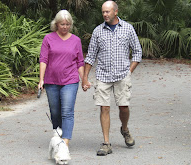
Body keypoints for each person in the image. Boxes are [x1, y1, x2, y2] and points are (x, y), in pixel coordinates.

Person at [82, 0, 142, 156]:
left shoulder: (128, 29)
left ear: (116, 12)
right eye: (103, 12)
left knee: (123, 107)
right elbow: (91, 56)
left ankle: (125, 129)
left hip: (122, 75)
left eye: (107, 11)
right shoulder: (97, 31)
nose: (105, 14)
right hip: (103, 75)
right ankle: (106, 143)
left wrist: (129, 71)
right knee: (104, 107)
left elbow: (137, 52)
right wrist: (85, 77)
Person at [38, 10, 84, 162]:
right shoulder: (48, 38)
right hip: (51, 81)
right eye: (62, 24)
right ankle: (58, 135)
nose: (65, 27)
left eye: (68, 24)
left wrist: (84, 79)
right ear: (56, 24)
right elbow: (43, 59)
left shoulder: (76, 40)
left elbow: (80, 62)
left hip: (70, 80)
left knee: (67, 112)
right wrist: (41, 80)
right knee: (55, 111)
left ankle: (64, 144)